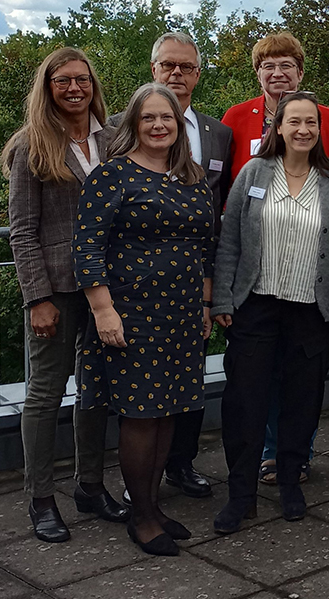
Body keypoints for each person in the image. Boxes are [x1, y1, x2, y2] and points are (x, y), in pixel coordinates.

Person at [73, 83, 215, 556]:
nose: (159, 125)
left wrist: (203, 304)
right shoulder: (111, 176)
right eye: (149, 117)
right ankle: (141, 517)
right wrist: (102, 308)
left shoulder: (190, 176)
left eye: (168, 118)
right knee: (140, 414)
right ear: (133, 123)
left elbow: (203, 247)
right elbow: (87, 247)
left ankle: (153, 506)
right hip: (131, 315)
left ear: (179, 126)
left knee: (169, 410)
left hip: (180, 314)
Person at [211, 92, 329, 533]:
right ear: (279, 127)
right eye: (294, 122)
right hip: (255, 306)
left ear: (319, 130)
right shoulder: (254, 172)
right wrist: (222, 300)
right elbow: (230, 238)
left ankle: (290, 480)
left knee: (301, 403)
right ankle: (241, 495)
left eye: (311, 122)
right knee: (244, 402)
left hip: (311, 310)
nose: (303, 130)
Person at [3, 47, 123, 542]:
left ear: (93, 85)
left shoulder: (115, 139)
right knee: (46, 394)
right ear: (47, 87)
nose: (74, 88)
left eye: (82, 80)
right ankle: (40, 498)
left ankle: (90, 486)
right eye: (62, 80)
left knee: (96, 392)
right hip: (57, 290)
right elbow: (22, 232)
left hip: (109, 289)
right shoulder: (33, 146)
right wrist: (36, 297)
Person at [145, 31, 234, 500]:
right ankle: (142, 478)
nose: (176, 74)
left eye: (186, 67)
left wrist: (211, 285)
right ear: (153, 69)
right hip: (139, 280)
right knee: (143, 382)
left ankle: (182, 463)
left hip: (197, 276)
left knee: (191, 374)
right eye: (168, 66)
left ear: (198, 74)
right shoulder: (125, 125)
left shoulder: (219, 133)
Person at [221, 32, 329, 186]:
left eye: (286, 65)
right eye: (269, 66)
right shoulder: (236, 116)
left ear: (300, 73)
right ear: (258, 74)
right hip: (250, 207)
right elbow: (220, 175)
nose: (277, 73)